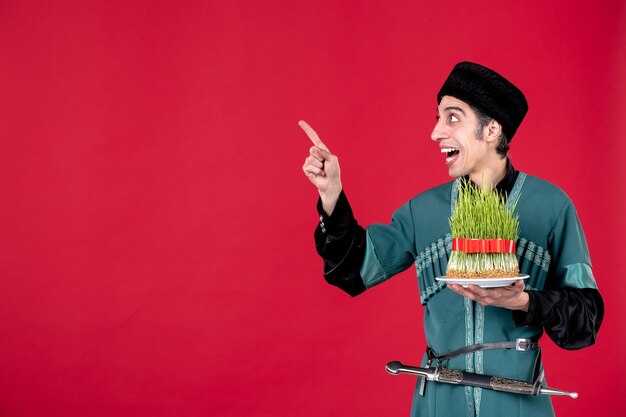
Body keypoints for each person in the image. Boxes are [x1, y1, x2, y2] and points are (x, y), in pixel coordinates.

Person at [300, 62, 604, 417]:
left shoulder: (551, 206)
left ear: (491, 129)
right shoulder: (424, 211)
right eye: (438, 117)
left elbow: (586, 317)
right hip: (438, 401)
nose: (435, 132)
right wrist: (331, 195)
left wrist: (524, 301)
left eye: (453, 117)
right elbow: (353, 270)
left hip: (519, 400)